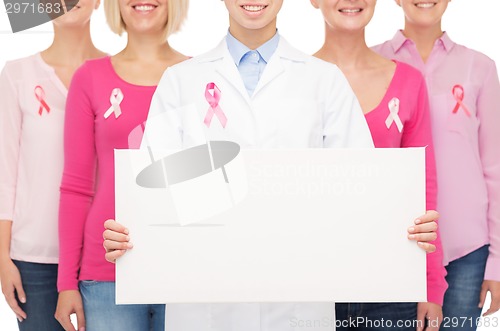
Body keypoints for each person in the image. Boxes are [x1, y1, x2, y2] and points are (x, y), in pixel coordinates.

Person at [104, 0, 440, 330]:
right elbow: (154, 193)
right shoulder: (180, 82)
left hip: (298, 305)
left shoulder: (325, 81)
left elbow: (362, 192)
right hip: (206, 309)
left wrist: (404, 228)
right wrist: (130, 233)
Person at [310, 0, 447, 330]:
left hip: (391, 282)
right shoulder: (293, 81)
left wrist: (431, 285)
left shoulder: (408, 82)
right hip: (313, 281)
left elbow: (424, 187)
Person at [54, 1, 189, 330]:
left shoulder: (199, 76)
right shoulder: (89, 78)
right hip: (107, 275)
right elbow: (76, 186)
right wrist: (66, 283)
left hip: (184, 268)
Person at [373, 0, 500, 329]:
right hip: (396, 243)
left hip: (466, 248)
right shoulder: (373, 62)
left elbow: (495, 167)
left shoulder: (480, 67)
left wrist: (497, 264)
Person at [0, 1, 105, 330]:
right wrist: (3, 258)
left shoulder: (117, 72)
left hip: (104, 255)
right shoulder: (17, 74)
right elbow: (6, 172)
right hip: (35, 260)